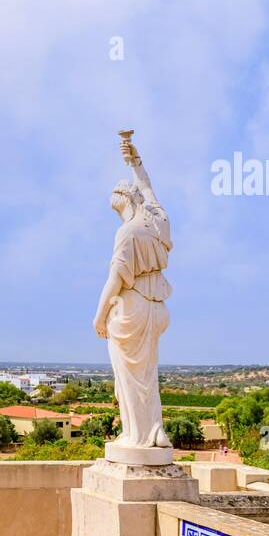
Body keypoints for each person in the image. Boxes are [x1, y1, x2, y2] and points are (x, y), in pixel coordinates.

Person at [91, 137, 172, 450]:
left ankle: (135, 435)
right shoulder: (158, 220)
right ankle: (155, 431)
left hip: (133, 308)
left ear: (122, 202)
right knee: (148, 373)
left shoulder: (127, 232)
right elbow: (149, 187)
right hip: (159, 308)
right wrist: (135, 161)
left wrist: (99, 317)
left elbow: (116, 279)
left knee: (128, 376)